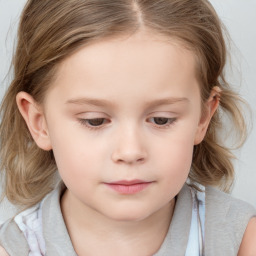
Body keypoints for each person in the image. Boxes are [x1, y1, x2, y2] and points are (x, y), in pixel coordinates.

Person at [0, 0, 255, 255]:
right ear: (39, 122)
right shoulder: (12, 250)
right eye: (95, 120)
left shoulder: (241, 240)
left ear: (203, 117)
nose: (130, 151)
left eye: (161, 119)